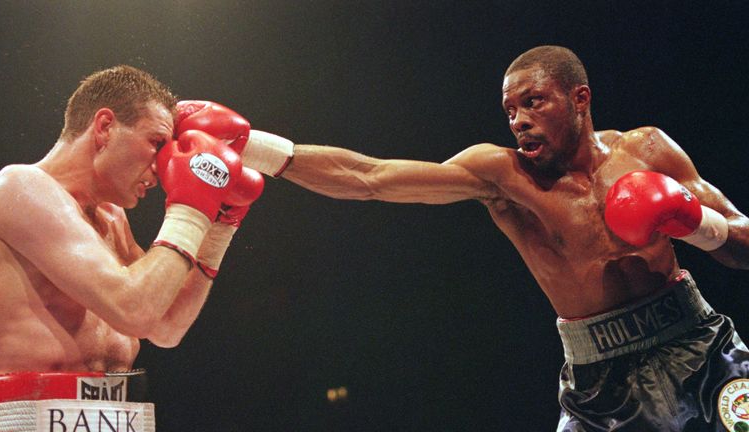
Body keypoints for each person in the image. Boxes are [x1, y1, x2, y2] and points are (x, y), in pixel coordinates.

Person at [227, 46, 749, 430]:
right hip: (601, 385)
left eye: (534, 102)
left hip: (700, 346)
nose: (519, 121)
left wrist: (697, 223)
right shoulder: (503, 178)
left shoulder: (649, 150)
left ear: (580, 97)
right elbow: (371, 177)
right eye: (510, 111)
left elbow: (742, 242)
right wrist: (258, 149)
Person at [0, 65, 262, 431]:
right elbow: (133, 310)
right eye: (157, 143)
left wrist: (219, 226)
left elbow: (166, 326)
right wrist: (191, 209)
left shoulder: (112, 217)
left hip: (120, 420)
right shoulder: (19, 188)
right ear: (104, 127)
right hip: (33, 421)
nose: (162, 167)